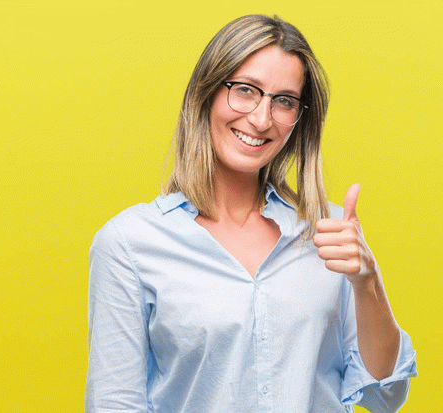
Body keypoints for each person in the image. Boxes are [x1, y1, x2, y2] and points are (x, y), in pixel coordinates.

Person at [86, 14, 417, 413]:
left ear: (299, 118)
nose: (261, 119)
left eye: (284, 101)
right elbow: (114, 404)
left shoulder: (331, 234)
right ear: (206, 93)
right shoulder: (130, 243)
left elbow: (386, 397)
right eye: (245, 90)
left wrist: (367, 283)